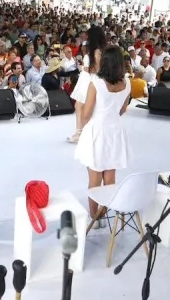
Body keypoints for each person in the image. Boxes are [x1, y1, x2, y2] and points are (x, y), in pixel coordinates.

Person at [73, 46, 132, 225]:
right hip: (115, 130)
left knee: (94, 177)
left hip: (97, 131)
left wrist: (83, 129)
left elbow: (85, 113)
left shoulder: (96, 83)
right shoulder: (127, 83)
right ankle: (105, 210)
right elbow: (122, 109)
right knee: (110, 176)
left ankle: (94, 216)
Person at [68, 26, 106, 144]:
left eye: (88, 35)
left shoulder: (97, 51)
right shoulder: (95, 49)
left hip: (90, 80)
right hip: (86, 79)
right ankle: (80, 131)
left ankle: (81, 132)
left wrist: (82, 68)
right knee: (80, 106)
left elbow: (97, 69)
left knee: (82, 106)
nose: (86, 37)